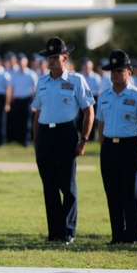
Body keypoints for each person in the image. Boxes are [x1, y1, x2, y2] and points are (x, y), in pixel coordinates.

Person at [30, 37, 95, 244]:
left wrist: (84, 140)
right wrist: (36, 140)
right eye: (48, 57)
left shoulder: (76, 80)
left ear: (64, 58)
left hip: (65, 133)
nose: (50, 61)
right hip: (45, 135)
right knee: (49, 187)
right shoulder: (42, 81)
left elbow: (88, 111)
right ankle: (54, 232)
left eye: (54, 57)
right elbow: (37, 113)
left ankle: (68, 231)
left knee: (67, 187)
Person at [95, 50, 137, 245]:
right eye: (112, 71)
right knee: (113, 194)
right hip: (110, 146)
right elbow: (100, 123)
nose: (115, 74)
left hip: (130, 146)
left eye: (119, 70)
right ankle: (117, 235)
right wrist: (104, 147)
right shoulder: (104, 96)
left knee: (130, 194)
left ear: (129, 71)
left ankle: (131, 236)